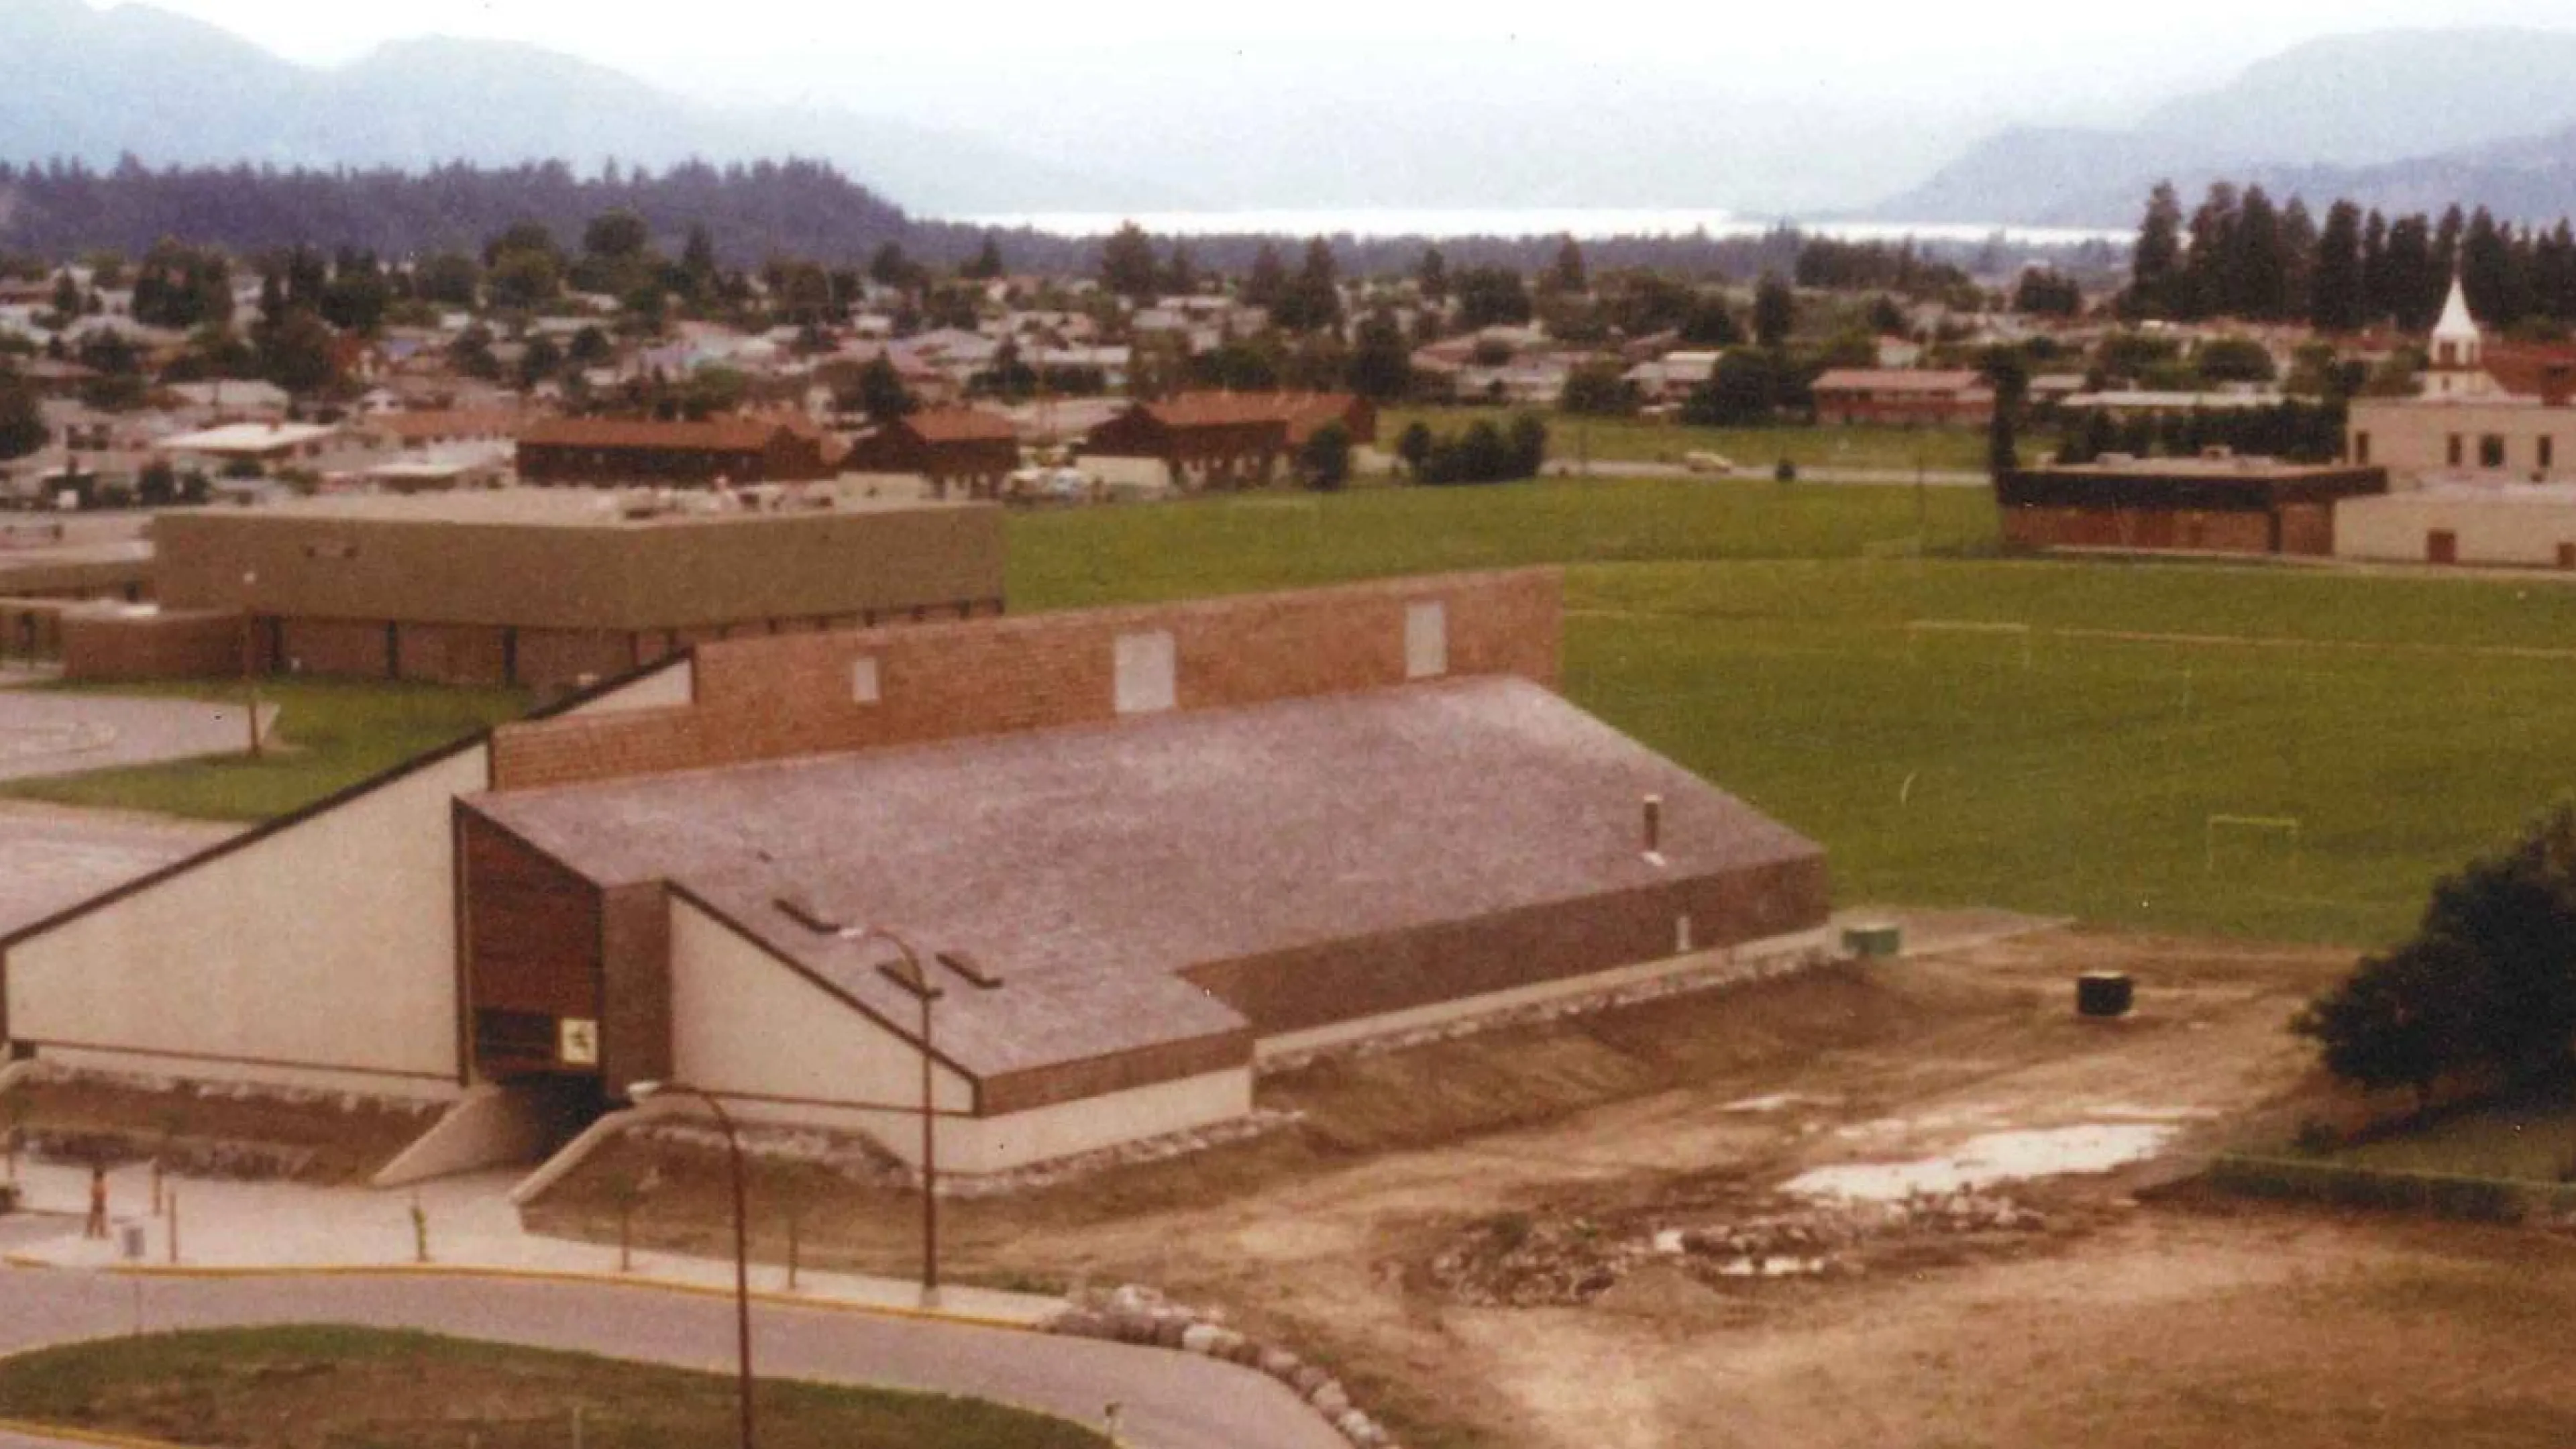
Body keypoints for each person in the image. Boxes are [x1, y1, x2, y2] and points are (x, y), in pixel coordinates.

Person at [83, 1163, 107, 1240]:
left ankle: (92, 1232)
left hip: (97, 1201)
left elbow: (94, 1193)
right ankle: (101, 1232)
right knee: (100, 1218)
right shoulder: (100, 1184)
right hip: (99, 1201)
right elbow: (102, 1193)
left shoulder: (97, 1184)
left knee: (94, 1217)